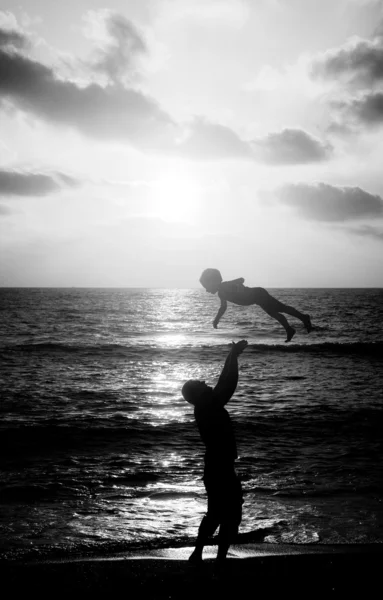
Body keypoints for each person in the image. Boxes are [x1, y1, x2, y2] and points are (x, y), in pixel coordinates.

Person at [181, 339, 248, 563]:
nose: (204, 382)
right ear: (197, 394)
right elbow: (229, 384)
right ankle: (206, 556)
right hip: (219, 468)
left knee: (221, 513)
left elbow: (223, 381)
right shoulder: (207, 406)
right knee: (226, 514)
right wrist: (234, 356)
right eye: (199, 383)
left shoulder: (206, 405)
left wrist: (232, 354)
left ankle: (203, 554)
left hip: (217, 466)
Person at [199, 268, 312, 343]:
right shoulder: (221, 293)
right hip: (256, 298)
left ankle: (302, 319)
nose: (206, 290)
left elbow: (241, 279)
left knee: (281, 308)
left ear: (213, 282)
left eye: (206, 286)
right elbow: (223, 307)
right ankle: (290, 328)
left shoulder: (225, 286)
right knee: (274, 313)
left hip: (258, 294)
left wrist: (236, 287)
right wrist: (216, 320)